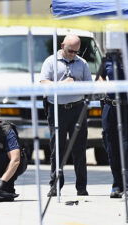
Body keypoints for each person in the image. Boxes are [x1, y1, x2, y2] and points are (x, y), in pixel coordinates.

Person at [40, 34, 92, 197]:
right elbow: (44, 83)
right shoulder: (50, 62)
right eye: (70, 51)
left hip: (77, 109)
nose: (73, 54)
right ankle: (55, 185)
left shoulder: (82, 63)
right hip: (57, 109)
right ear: (62, 46)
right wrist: (62, 85)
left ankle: (81, 187)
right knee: (57, 149)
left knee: (79, 149)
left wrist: (76, 85)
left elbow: (89, 86)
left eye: (76, 51)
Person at [100, 50, 128, 198]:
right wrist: (105, 86)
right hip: (110, 106)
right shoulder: (107, 59)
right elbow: (99, 77)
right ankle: (117, 184)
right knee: (111, 146)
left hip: (126, 106)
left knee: (125, 146)